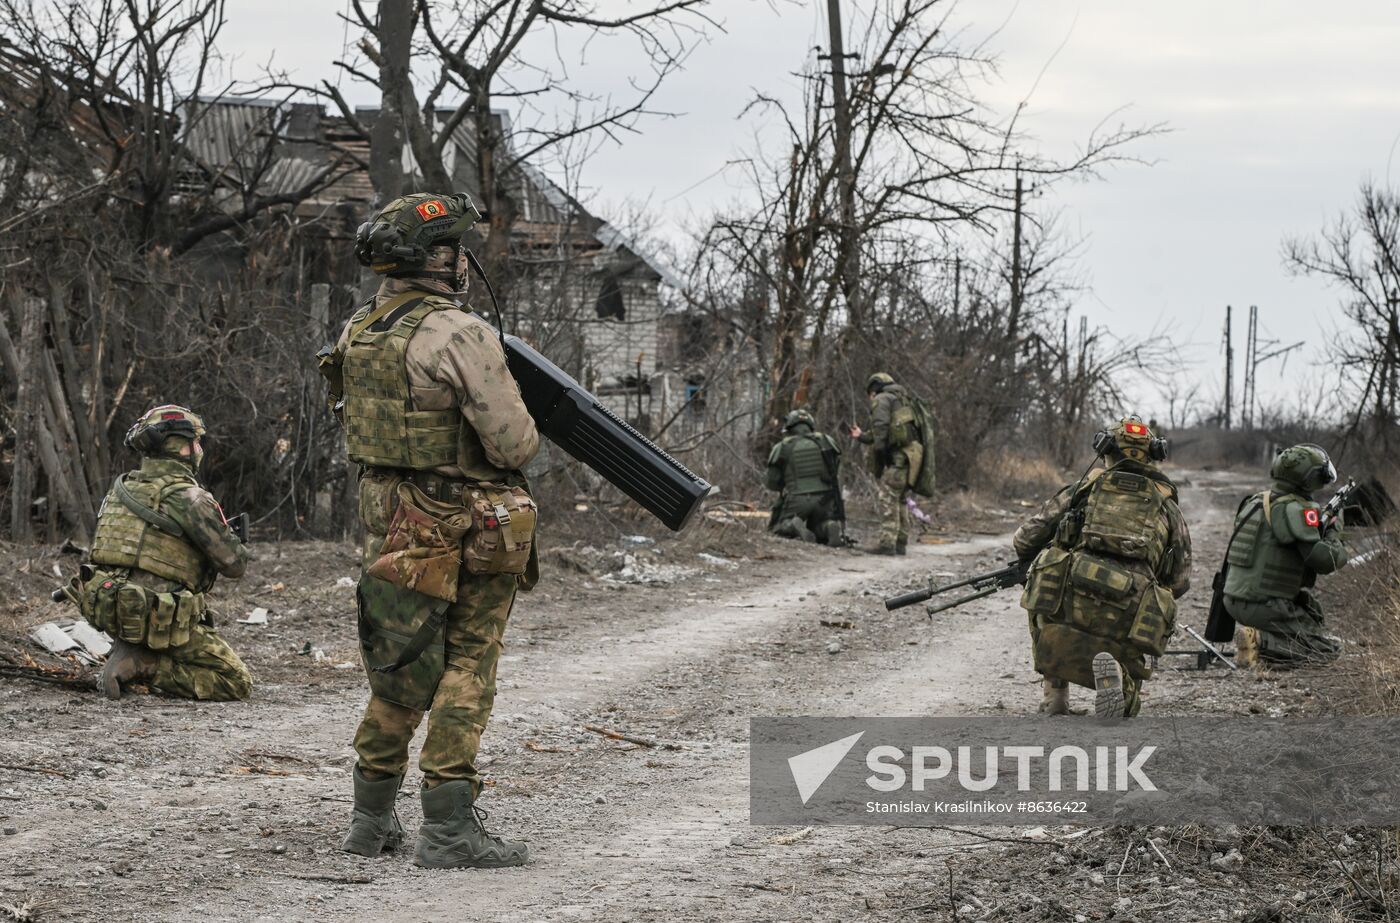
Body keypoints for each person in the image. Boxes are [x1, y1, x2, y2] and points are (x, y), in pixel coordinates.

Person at [320, 192, 541, 869]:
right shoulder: (457, 332)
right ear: (439, 258)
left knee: (399, 662)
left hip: (386, 511)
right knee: (467, 663)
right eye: (459, 249)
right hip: (459, 517)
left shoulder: (360, 329)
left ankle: (370, 818)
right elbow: (512, 443)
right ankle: (449, 826)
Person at [1013, 417, 1191, 718]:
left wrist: (1038, 557)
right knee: (1149, 616)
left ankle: (1055, 695)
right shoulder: (1167, 505)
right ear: (1153, 455)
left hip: (1074, 594)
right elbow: (1180, 580)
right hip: (1132, 612)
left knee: (1045, 576)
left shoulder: (1084, 489)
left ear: (1105, 449)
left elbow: (1026, 537)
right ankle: (1121, 680)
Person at [78, 405, 252, 701]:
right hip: (158, 616)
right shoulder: (190, 497)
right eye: (194, 441)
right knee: (235, 680)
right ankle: (145, 664)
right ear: (179, 447)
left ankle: (132, 648)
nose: (198, 449)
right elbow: (235, 565)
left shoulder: (121, 490)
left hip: (114, 609)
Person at [1222, 444, 1348, 667]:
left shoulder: (1255, 501)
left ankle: (1260, 641)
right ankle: (1260, 641)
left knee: (1312, 619)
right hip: (1263, 606)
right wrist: (1334, 532)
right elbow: (1324, 561)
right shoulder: (1297, 509)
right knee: (1326, 651)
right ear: (1309, 478)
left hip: (1232, 599)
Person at [849, 372, 924, 555]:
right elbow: (889, 431)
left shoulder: (883, 399)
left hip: (898, 460)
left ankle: (887, 544)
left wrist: (880, 455)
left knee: (887, 496)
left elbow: (881, 430)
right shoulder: (902, 400)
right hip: (911, 459)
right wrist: (862, 437)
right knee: (901, 500)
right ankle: (900, 543)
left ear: (874, 389)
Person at [766, 409, 846, 545]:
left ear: (789, 427)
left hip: (798, 497)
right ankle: (829, 527)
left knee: (778, 528)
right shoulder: (826, 440)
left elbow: (772, 482)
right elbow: (837, 468)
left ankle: (792, 525)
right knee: (817, 526)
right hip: (825, 498)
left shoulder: (783, 446)